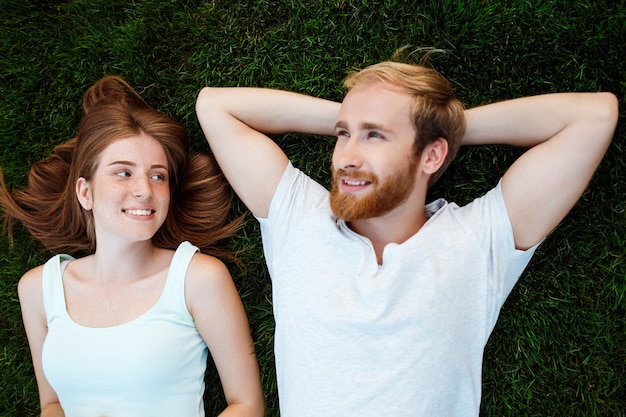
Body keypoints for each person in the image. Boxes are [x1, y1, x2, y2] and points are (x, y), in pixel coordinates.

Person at [195, 57, 618, 417]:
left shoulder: (477, 240)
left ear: (432, 155)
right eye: (344, 135)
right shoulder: (299, 220)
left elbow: (595, 116)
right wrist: (357, 117)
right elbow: (214, 106)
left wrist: (444, 130)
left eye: (375, 135)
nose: (346, 157)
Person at [0, 76, 264, 417]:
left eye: (158, 176)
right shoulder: (38, 288)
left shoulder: (197, 278)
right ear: (85, 192)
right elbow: (52, 404)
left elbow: (247, 404)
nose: (145, 190)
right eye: (123, 173)